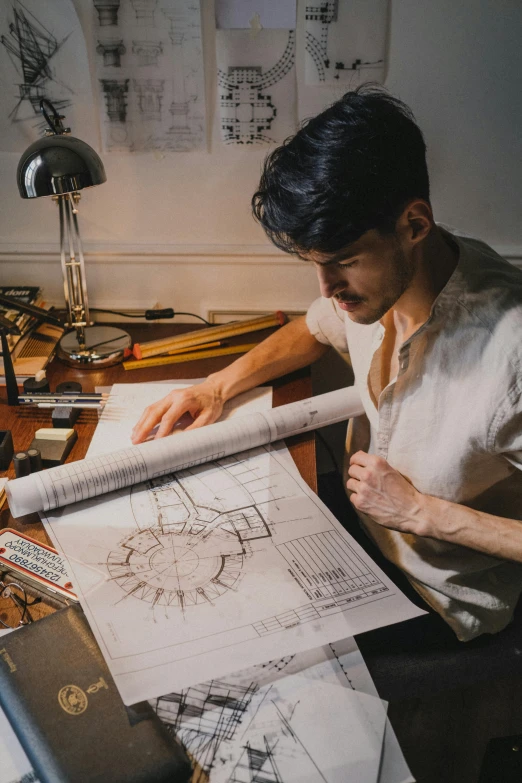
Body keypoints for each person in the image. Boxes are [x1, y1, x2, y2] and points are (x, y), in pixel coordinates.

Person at [132, 85, 522, 644]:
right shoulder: (381, 285)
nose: (327, 286)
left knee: (223, 639)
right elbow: (314, 327)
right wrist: (217, 387)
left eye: (342, 262)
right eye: (315, 263)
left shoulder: (511, 356)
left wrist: (420, 512)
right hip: (356, 532)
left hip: (435, 593)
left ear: (414, 225)